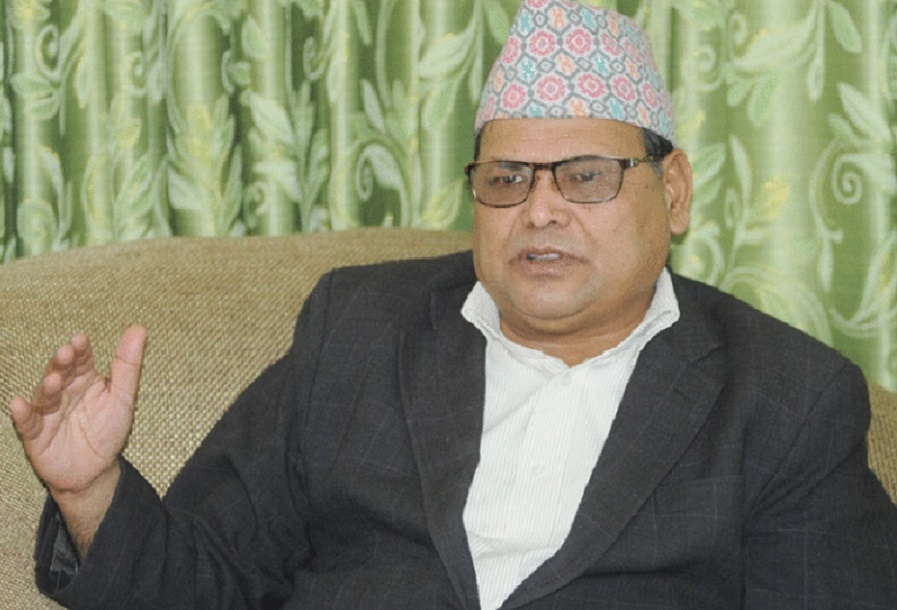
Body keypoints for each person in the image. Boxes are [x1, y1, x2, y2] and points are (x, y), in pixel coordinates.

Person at [11, 0, 897, 608]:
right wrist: (92, 491)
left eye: (585, 177)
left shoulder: (785, 397)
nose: (539, 210)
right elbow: (205, 582)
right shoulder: (357, 330)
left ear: (672, 193)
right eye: (507, 178)